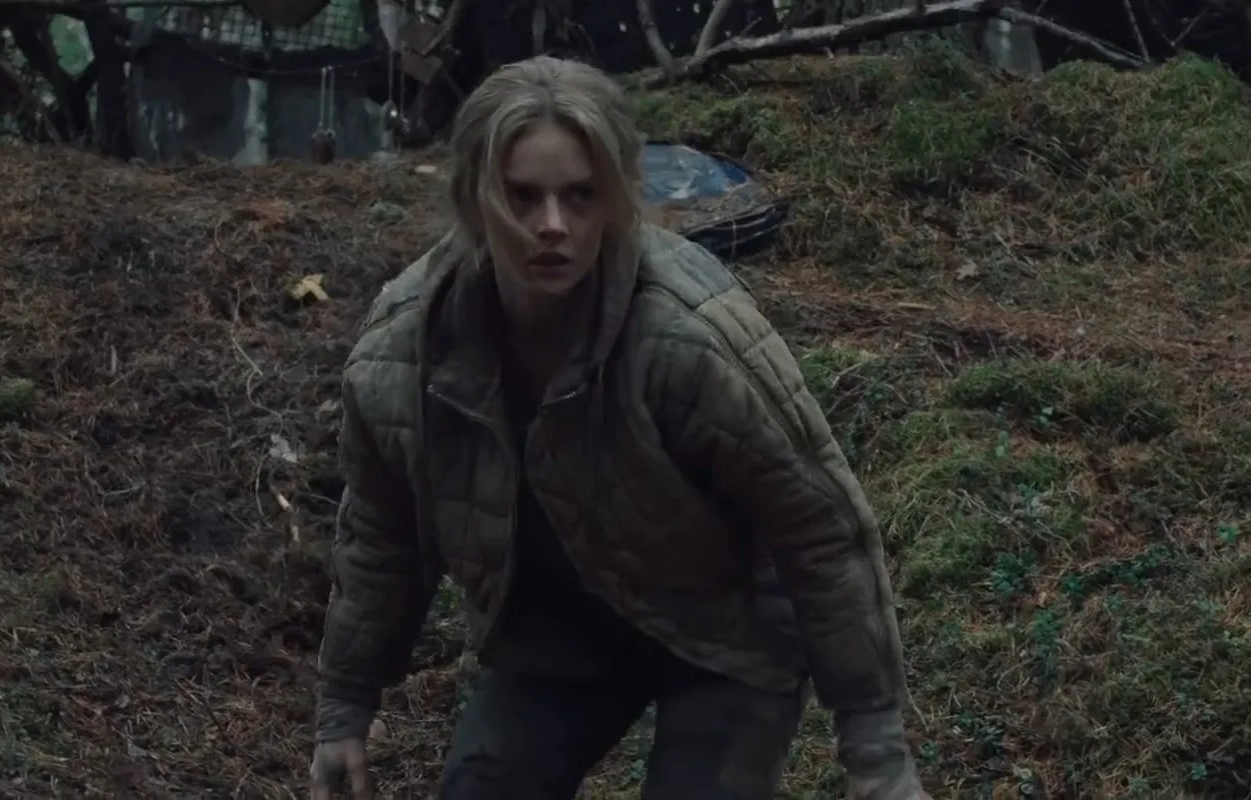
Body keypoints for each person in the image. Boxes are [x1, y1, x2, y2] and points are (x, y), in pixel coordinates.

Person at [308, 55, 929, 800]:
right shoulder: (407, 354)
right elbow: (381, 536)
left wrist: (876, 751)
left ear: (616, 198)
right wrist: (344, 709)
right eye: (522, 197)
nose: (552, 226)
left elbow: (818, 528)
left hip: (725, 628)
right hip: (555, 634)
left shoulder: (688, 338)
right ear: (475, 198)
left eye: (581, 196)